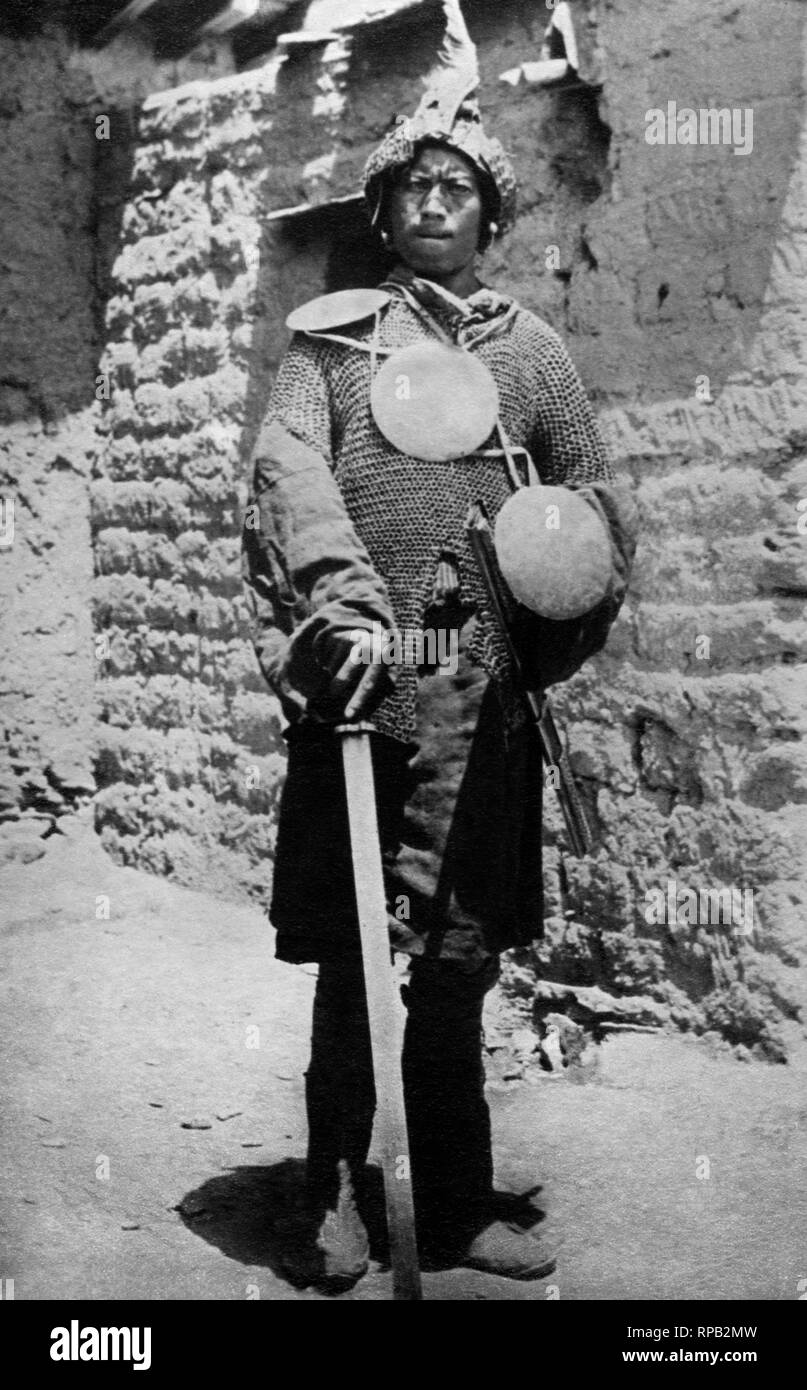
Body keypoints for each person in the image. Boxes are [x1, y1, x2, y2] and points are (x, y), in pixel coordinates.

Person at [242, 47, 635, 1291]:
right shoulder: (335, 349)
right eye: (411, 188)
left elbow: (589, 505)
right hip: (363, 689)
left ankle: (455, 1201)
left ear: (492, 214)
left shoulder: (534, 357)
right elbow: (287, 474)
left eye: (457, 188)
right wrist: (344, 608)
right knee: (356, 960)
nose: (432, 204)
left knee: (460, 963)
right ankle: (337, 1197)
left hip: (484, 702)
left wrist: (565, 581)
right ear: (381, 213)